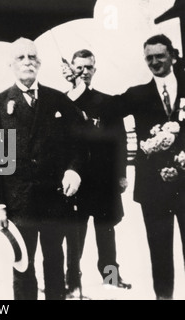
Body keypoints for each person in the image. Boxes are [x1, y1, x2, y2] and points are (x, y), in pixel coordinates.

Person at [0, 38, 86, 300]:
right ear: (11, 65)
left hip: (54, 200)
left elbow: (80, 142)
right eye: (20, 57)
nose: (27, 61)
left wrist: (73, 170)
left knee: (54, 263)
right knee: (22, 266)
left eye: (32, 57)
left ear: (39, 63)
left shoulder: (57, 100)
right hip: (19, 201)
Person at [114, 34, 185, 300]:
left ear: (173, 56)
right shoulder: (138, 95)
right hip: (153, 190)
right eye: (149, 58)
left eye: (160, 56)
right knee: (160, 252)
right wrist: (78, 86)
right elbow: (107, 108)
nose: (154, 62)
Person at [61, 50, 131, 298]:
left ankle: (111, 277)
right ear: (69, 69)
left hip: (104, 181)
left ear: (95, 69)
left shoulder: (108, 102)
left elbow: (120, 141)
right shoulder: (63, 101)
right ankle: (71, 284)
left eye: (88, 67)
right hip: (77, 181)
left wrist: (121, 175)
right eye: (78, 67)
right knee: (74, 235)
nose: (84, 72)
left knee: (107, 232)